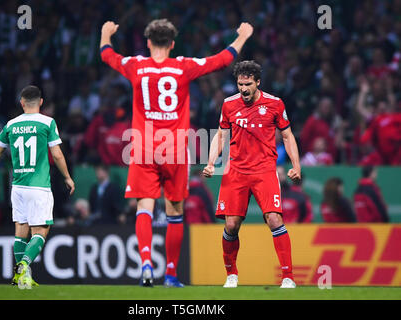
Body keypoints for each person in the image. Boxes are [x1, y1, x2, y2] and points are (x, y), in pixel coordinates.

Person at [100, 19, 253, 287]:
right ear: (172, 44)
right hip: (174, 151)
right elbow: (221, 60)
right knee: (175, 212)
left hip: (144, 149)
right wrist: (242, 36)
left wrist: (105, 33)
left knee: (144, 208)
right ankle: (170, 274)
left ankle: (146, 263)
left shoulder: (136, 65)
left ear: (148, 42)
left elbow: (106, 54)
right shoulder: (183, 66)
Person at [203, 60, 301, 289]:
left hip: (264, 170)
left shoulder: (275, 104)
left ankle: (288, 277)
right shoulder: (228, 105)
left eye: (248, 84)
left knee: (275, 219)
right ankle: (231, 275)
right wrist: (210, 163)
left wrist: (296, 166)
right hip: (235, 170)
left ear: (258, 82)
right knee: (231, 225)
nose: (243, 89)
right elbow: (220, 135)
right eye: (240, 84)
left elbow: (287, 136)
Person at [0, 85, 75, 289]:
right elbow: (56, 154)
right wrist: (67, 177)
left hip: (18, 186)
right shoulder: (48, 122)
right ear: (40, 102)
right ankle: (23, 265)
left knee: (20, 231)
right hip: (39, 187)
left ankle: (22, 280)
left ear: (21, 103)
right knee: (41, 231)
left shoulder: (11, 124)